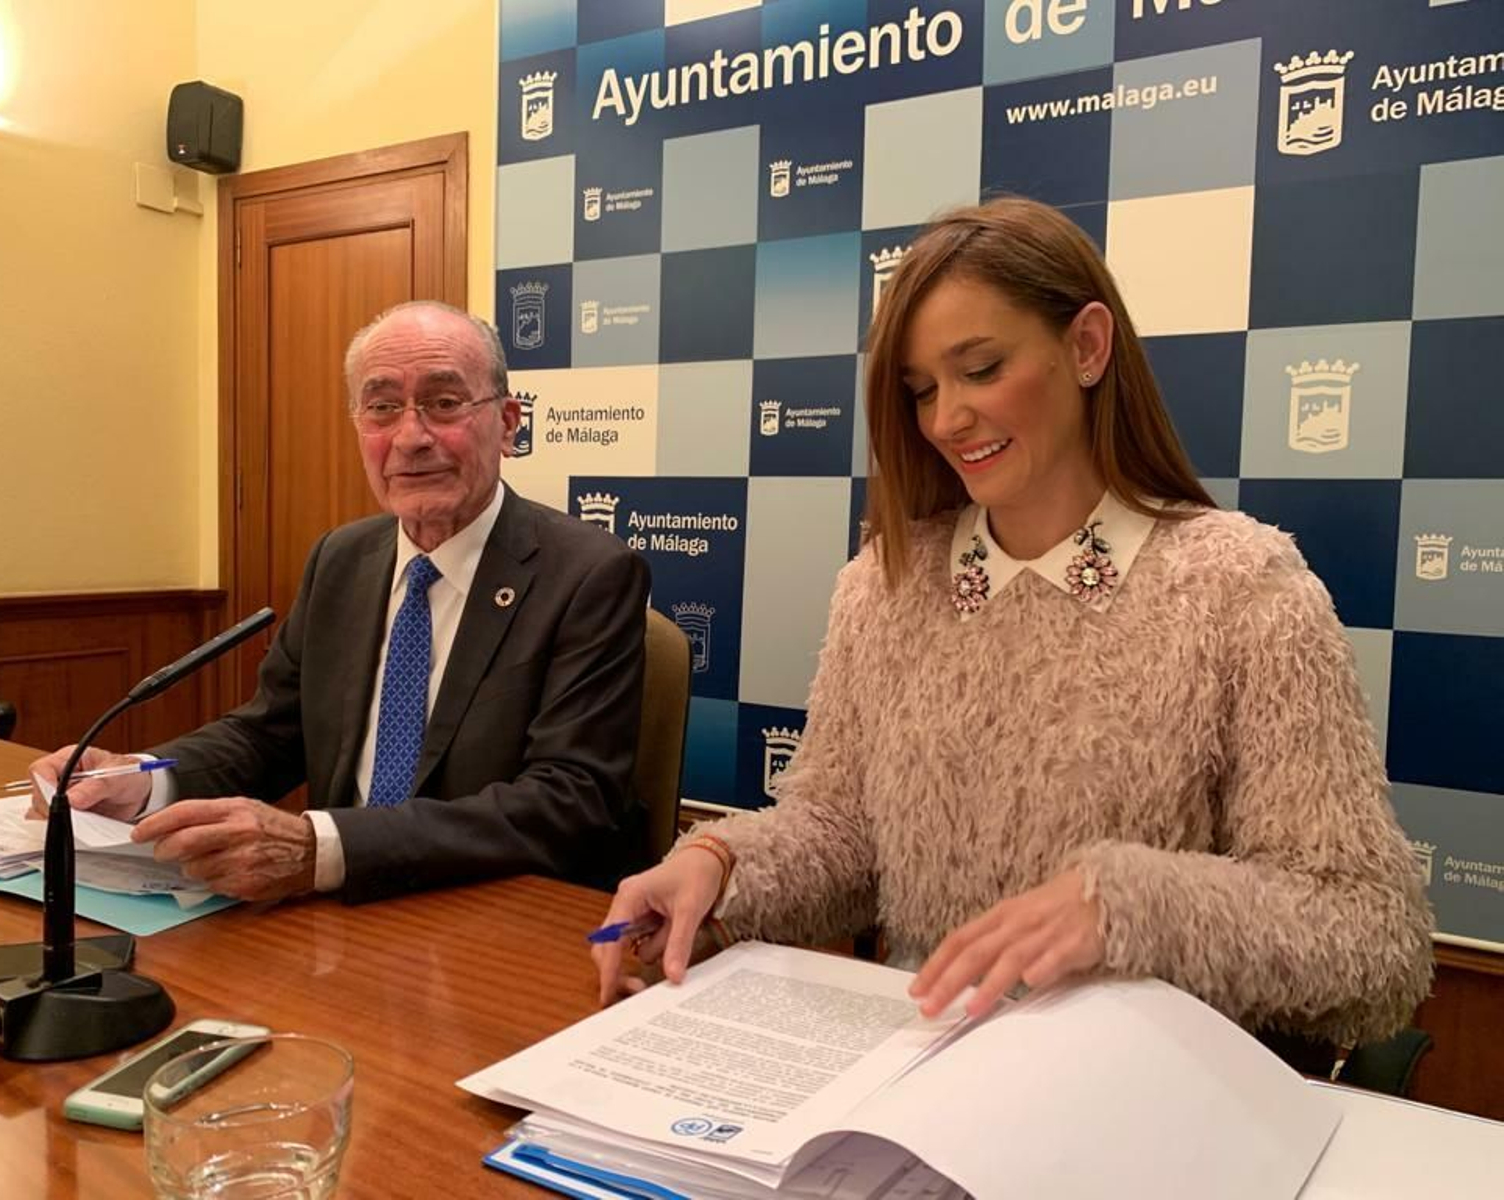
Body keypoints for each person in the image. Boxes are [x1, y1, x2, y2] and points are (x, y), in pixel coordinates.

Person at [593, 198, 1432, 1047]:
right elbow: (840, 833)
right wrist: (719, 866)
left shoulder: (1245, 590)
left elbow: (1369, 931)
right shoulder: (884, 585)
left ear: (1087, 347)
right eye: (921, 390)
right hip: (912, 1066)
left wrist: (1128, 904)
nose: (946, 419)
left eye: (982, 368)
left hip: (1144, 1092)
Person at [31, 301, 650, 904]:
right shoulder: (341, 558)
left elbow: (568, 800)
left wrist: (321, 848)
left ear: (509, 424)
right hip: (337, 918)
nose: (410, 437)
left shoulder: (589, 574)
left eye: (444, 402)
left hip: (487, 911)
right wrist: (141, 780)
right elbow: (270, 734)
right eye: (382, 407)